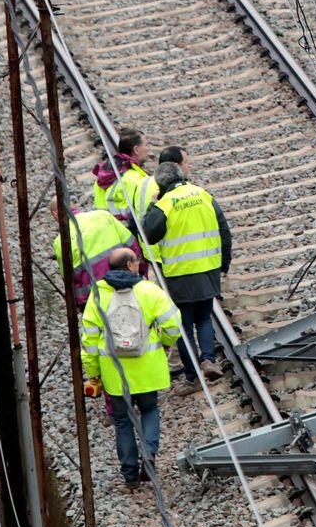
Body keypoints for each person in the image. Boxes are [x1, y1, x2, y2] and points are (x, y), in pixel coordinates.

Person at [81, 247, 180, 487]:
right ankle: (148, 453)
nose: (138, 264)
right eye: (136, 261)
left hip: (115, 374)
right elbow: (173, 325)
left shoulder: (97, 296)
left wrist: (93, 374)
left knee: (123, 421)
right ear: (129, 266)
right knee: (149, 410)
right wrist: (165, 345)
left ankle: (130, 475)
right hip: (147, 369)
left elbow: (89, 340)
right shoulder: (149, 291)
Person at [142, 150, 231, 392]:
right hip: (208, 269)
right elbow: (224, 229)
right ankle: (209, 360)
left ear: (161, 184)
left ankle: (193, 377)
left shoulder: (165, 204)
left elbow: (149, 234)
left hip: (180, 274)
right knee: (204, 317)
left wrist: (152, 205)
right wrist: (225, 263)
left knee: (183, 326)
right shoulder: (203, 194)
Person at [53, 206, 139, 308]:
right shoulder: (102, 215)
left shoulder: (60, 241)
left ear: (55, 214)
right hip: (126, 284)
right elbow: (132, 245)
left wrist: (81, 304)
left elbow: (69, 280)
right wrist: (140, 271)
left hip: (96, 299)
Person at [92, 129, 160, 239]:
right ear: (136, 150)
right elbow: (144, 216)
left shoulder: (103, 175)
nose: (148, 149)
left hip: (109, 235)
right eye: (146, 145)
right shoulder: (136, 179)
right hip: (130, 238)